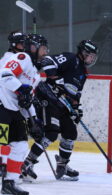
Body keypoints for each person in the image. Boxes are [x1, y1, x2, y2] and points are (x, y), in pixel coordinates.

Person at [21, 40, 99, 182]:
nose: (92, 59)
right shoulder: (71, 59)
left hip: (63, 105)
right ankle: (27, 163)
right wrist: (54, 78)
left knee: (70, 132)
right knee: (51, 132)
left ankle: (62, 165)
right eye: (90, 56)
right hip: (48, 98)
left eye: (93, 57)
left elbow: (76, 94)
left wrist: (76, 108)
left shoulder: (83, 73)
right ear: (83, 53)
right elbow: (47, 60)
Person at [0, 33, 45, 195]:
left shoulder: (35, 74)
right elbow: (4, 74)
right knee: (2, 146)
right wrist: (20, 88)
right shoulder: (22, 57)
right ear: (33, 48)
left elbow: (26, 101)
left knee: (20, 145)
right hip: (2, 107)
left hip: (15, 112)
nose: (44, 53)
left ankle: (9, 184)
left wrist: (35, 120)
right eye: (42, 49)